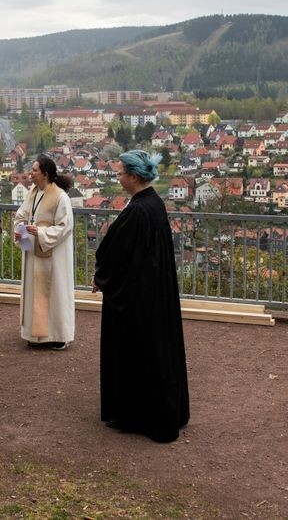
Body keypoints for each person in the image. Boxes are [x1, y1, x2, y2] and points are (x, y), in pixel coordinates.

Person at [92, 149, 189, 443]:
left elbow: (118, 252)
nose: (118, 179)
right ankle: (156, 411)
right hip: (151, 294)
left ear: (134, 177)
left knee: (136, 353)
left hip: (137, 300)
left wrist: (102, 277)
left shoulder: (137, 210)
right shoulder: (154, 204)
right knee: (154, 353)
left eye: (120, 173)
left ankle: (137, 415)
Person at [13, 154, 75, 349]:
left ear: (45, 174)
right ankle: (36, 334)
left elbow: (65, 227)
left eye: (34, 170)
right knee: (34, 293)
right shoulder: (33, 193)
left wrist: (40, 232)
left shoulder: (60, 197)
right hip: (34, 252)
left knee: (54, 293)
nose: (30, 174)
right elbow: (22, 215)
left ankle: (58, 336)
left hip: (53, 256)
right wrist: (20, 230)